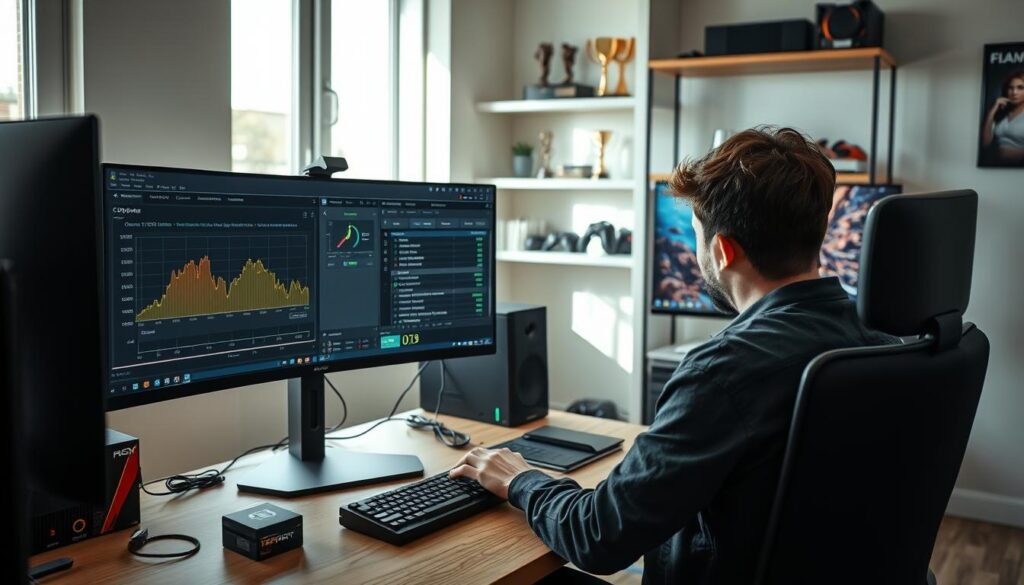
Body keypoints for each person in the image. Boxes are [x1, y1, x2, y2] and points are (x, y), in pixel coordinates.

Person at [449, 126, 899, 585]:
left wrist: (520, 479)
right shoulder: (881, 343)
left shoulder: (723, 372)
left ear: (722, 251)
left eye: (697, 237)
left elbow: (598, 538)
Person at [981, 70, 1024, 165]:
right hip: (995, 166)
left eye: (1020, 88)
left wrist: (1009, 154)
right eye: (1010, 88)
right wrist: (992, 112)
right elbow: (985, 143)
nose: (1014, 92)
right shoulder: (1003, 114)